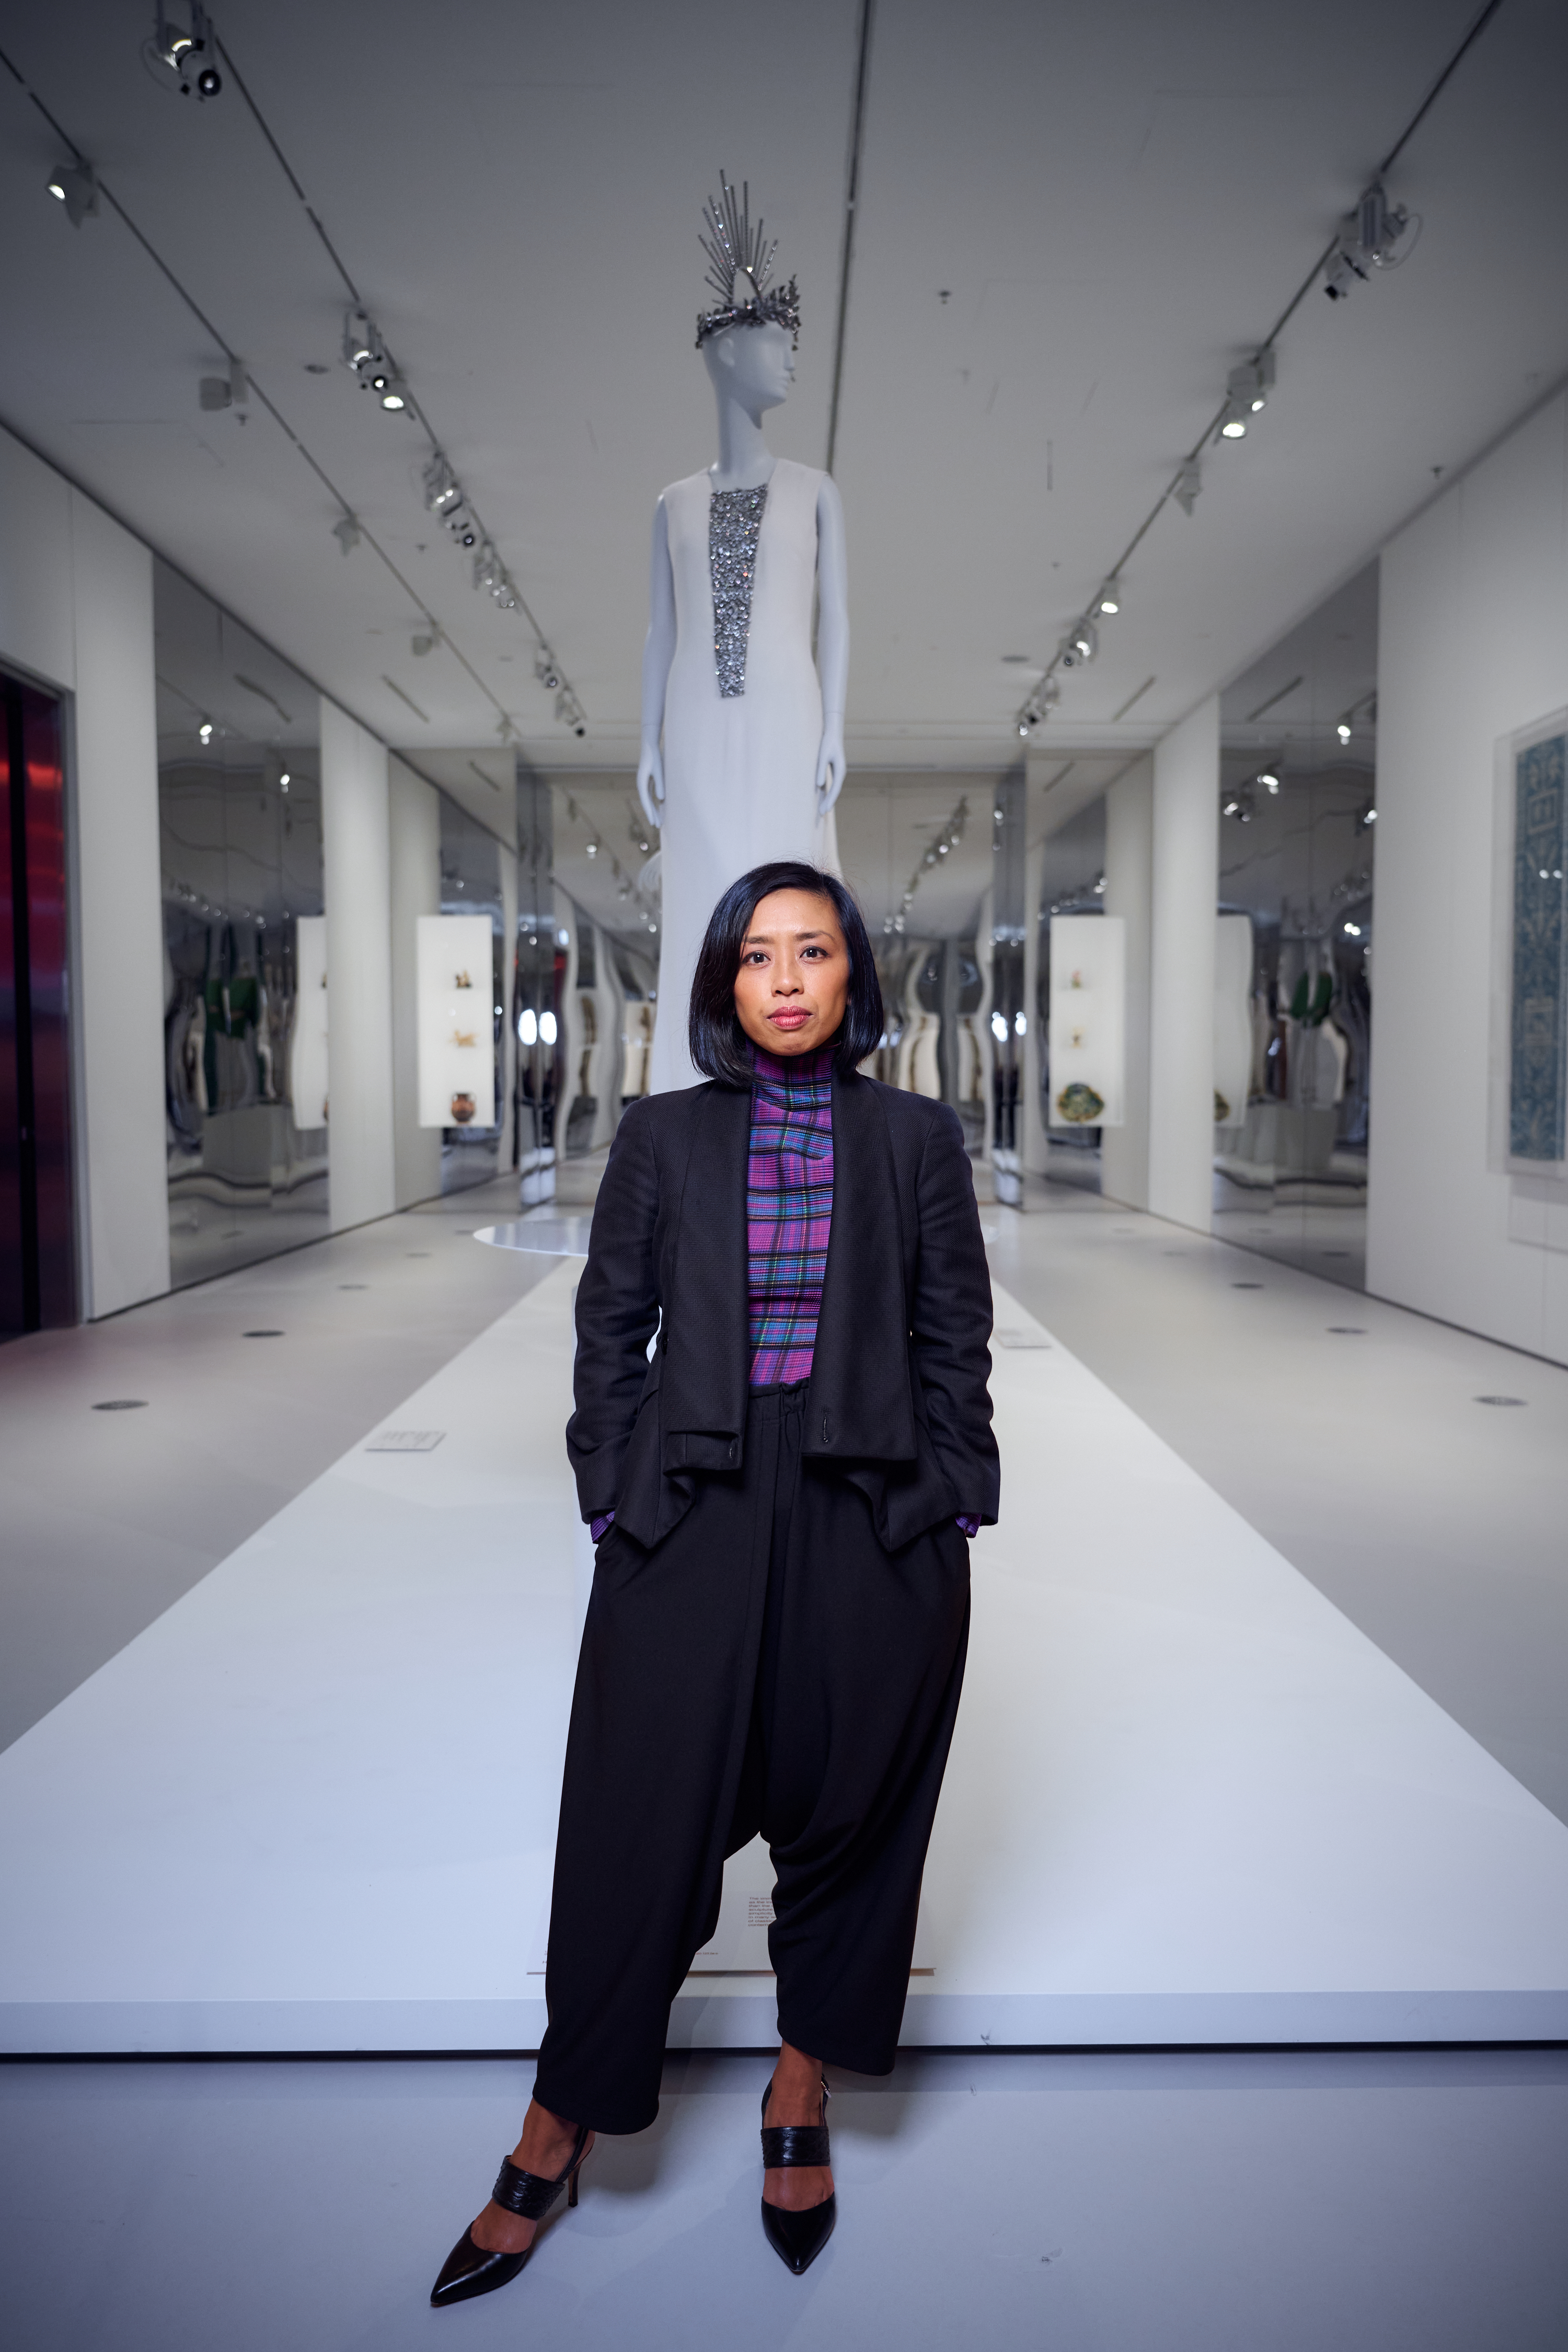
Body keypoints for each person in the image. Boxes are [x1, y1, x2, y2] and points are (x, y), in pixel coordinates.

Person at [431, 861, 998, 2304]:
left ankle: (797, 2086)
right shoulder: (664, 1135)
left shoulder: (915, 1135)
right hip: (696, 1494)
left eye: (815, 952)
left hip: (871, 1503)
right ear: (723, 984)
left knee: (853, 1803)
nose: (790, 979)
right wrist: (616, 1488)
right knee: (638, 1820)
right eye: (760, 956)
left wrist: (949, 1502)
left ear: (854, 975)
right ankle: (555, 2123)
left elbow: (956, 1338)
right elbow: (609, 1320)